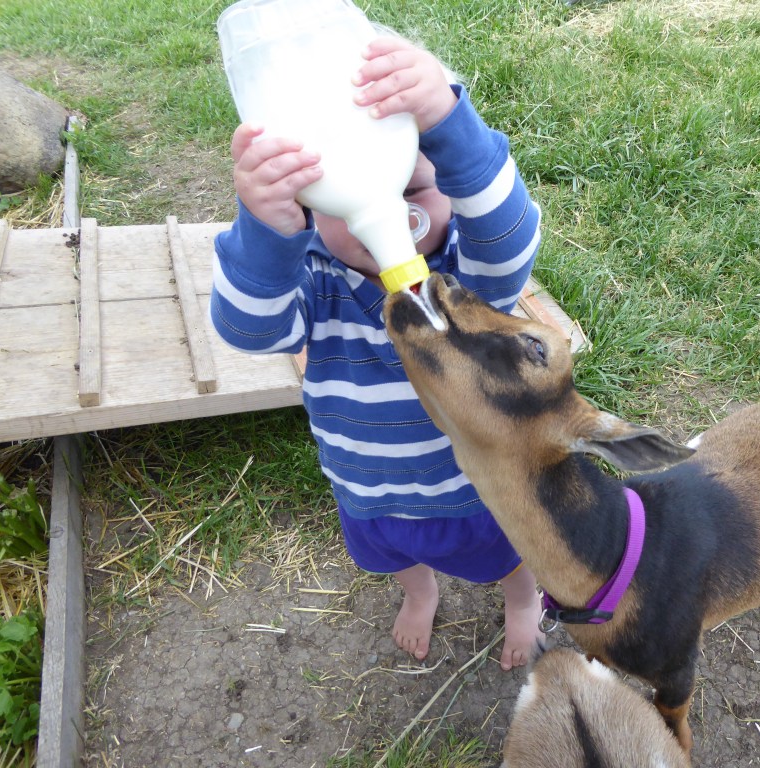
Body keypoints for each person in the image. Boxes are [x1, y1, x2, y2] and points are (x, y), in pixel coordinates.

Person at [210, 34, 545, 670]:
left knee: (512, 555)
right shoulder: (313, 281)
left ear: (451, 189)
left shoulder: (466, 280)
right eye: (346, 197)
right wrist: (264, 227)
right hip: (368, 489)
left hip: (479, 487)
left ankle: (523, 603)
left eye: (412, 190)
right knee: (399, 561)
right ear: (310, 210)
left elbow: (508, 236)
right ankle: (421, 596)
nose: (383, 213)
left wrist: (448, 123)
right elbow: (250, 330)